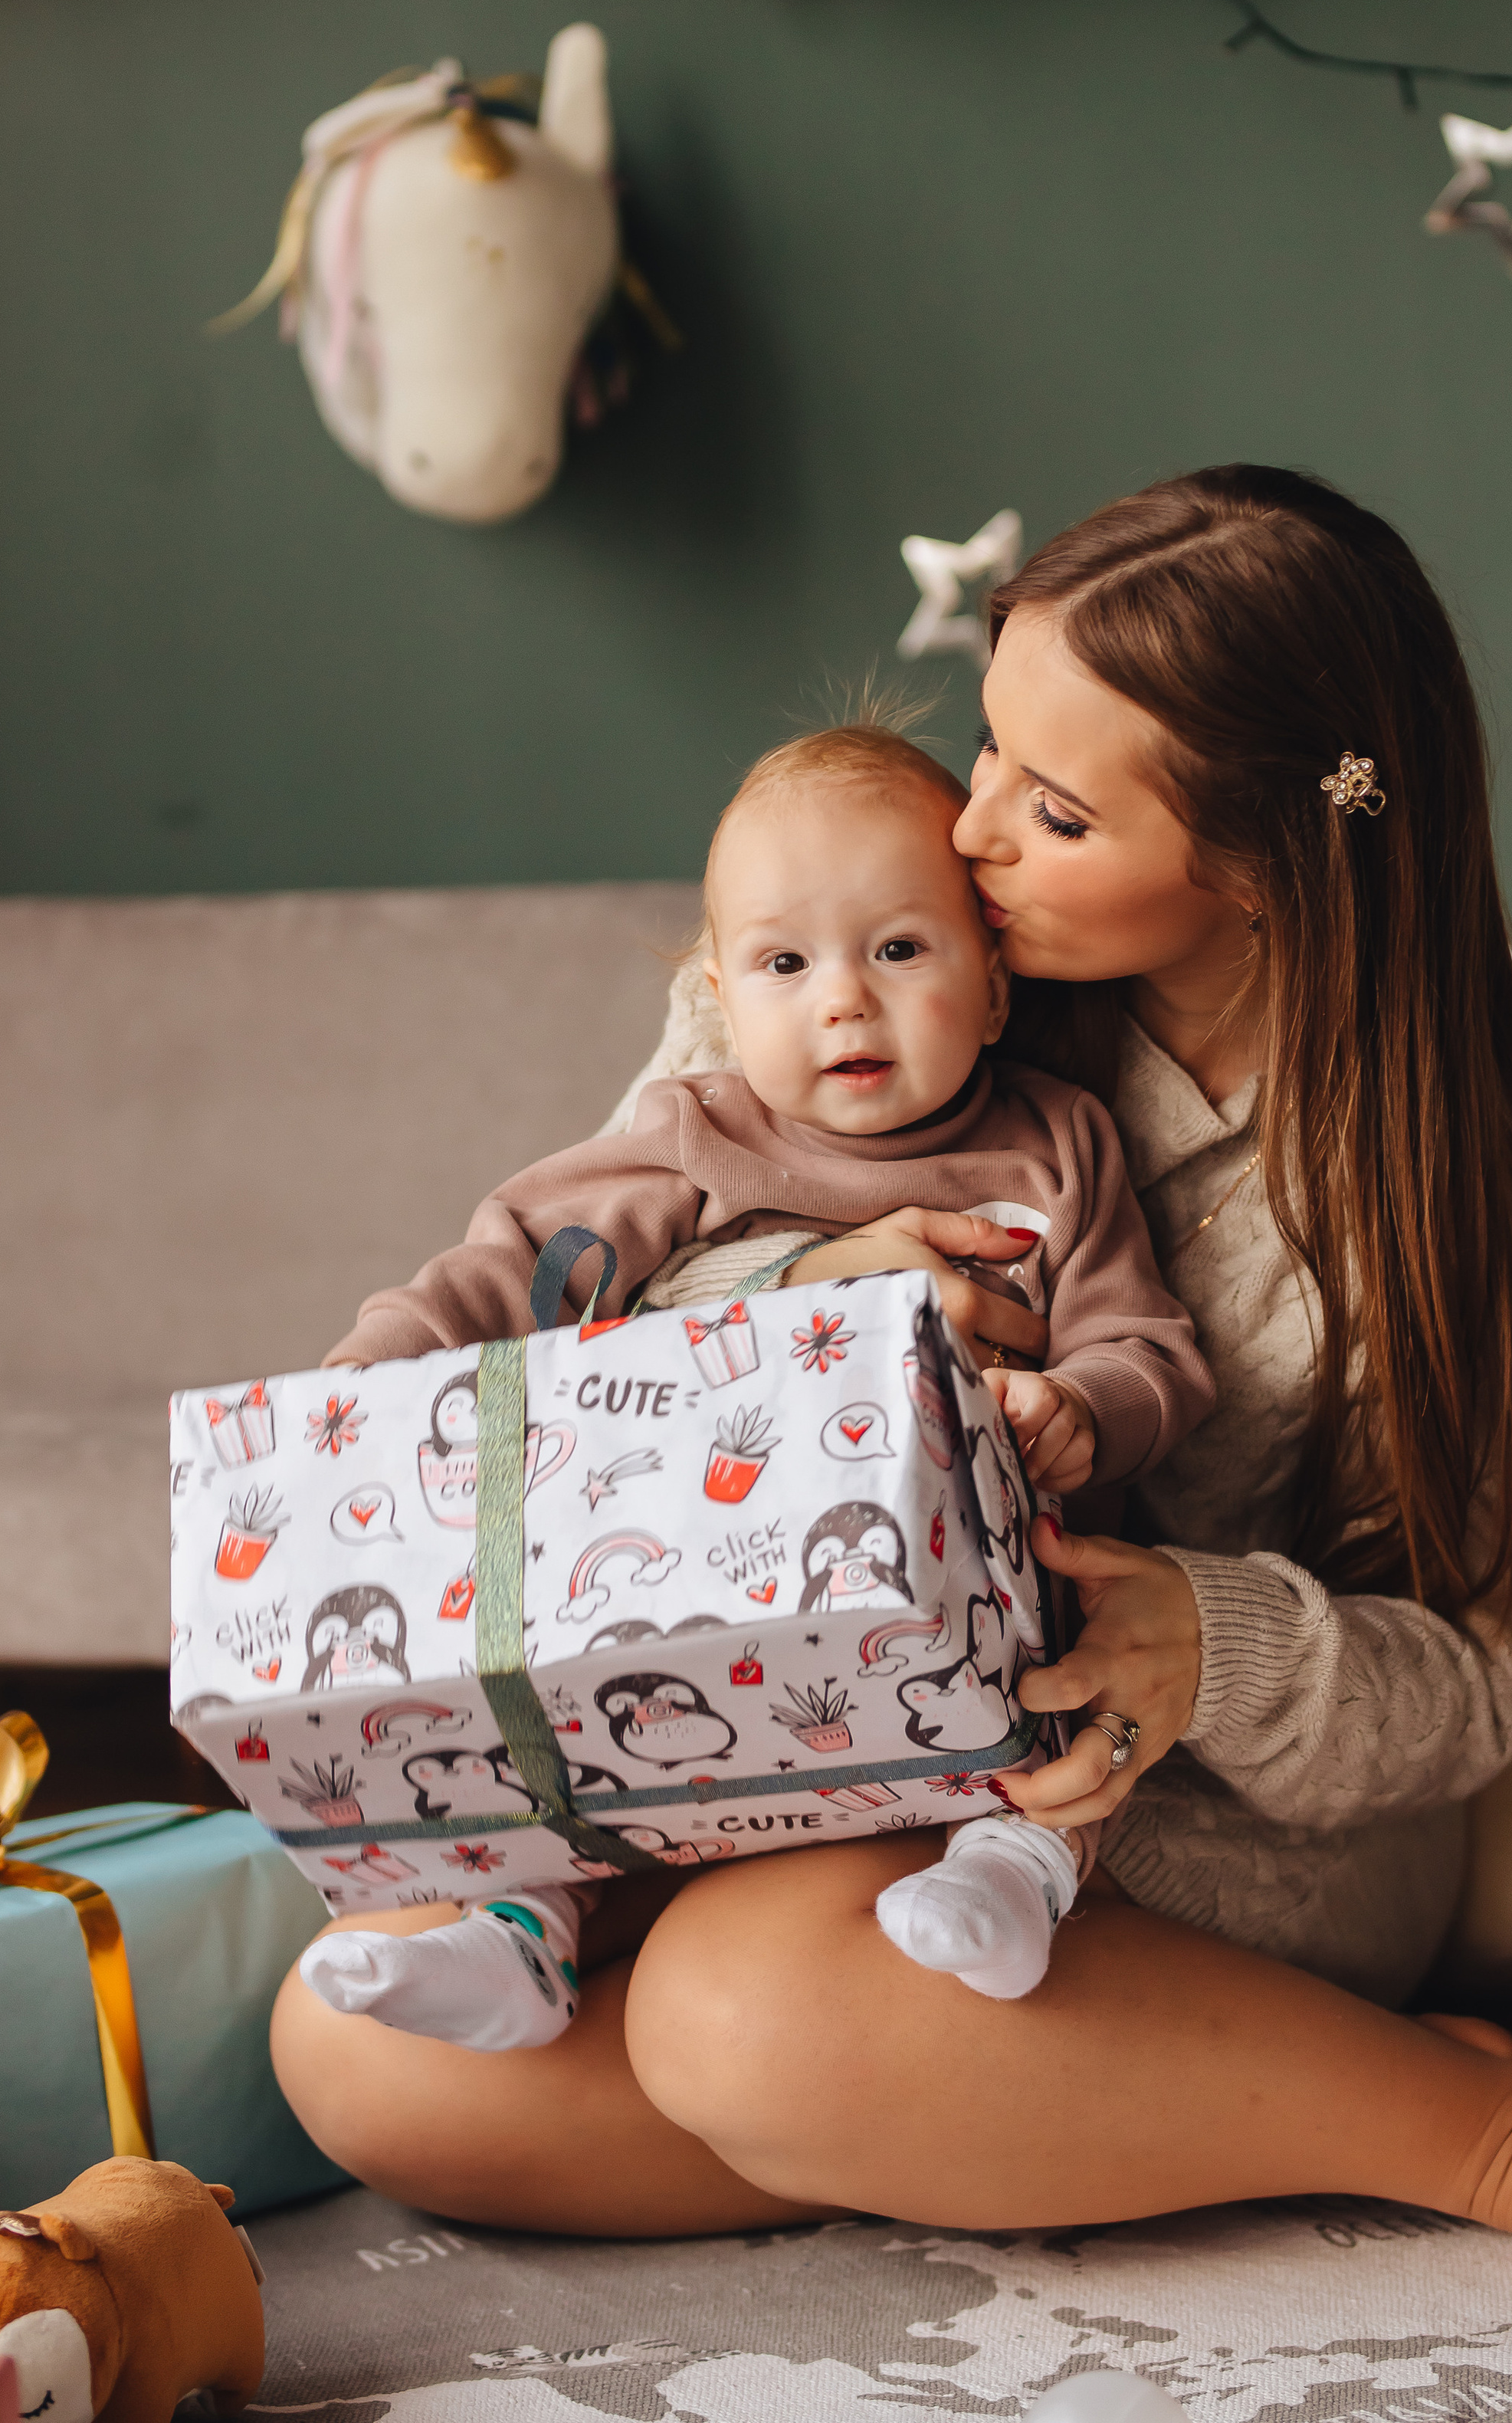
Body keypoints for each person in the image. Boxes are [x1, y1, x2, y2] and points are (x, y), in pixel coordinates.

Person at [272, 467, 1512, 2319]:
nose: (961, 832)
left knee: (744, 2009)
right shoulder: (868, 936)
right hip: (796, 1728)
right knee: (367, 2064)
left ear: (1269, 857)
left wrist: (1209, 1646)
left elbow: (1466, 1695)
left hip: (1172, 1803)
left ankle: (1490, 2132)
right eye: (984, 751)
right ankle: (1026, 2107)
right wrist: (791, 1301)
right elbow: (588, 1298)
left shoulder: (1458, 1176)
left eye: (1047, 810)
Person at [296, 719, 1210, 2050]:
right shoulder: (694, 1138)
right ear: (725, 996)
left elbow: (1152, 1346)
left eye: (900, 949)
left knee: (1066, 1682)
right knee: (573, 1697)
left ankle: (1009, 1884)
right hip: (710, 1564)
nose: (844, 999)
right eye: (787, 964)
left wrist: (1086, 1404)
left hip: (987, 1588)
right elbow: (507, 1269)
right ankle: (517, 1937)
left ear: (995, 985)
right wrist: (374, 1374)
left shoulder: (1056, 1143)